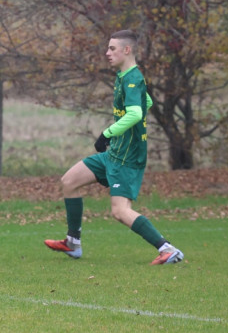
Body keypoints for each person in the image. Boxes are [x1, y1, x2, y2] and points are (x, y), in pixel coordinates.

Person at [44, 29, 185, 265]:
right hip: (115, 152)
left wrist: (107, 133)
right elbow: (146, 102)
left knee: (120, 211)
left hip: (127, 157)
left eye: (112, 48)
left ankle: (168, 249)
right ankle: (73, 242)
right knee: (69, 181)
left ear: (126, 50)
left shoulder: (132, 78)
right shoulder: (124, 76)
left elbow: (135, 112)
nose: (107, 53)